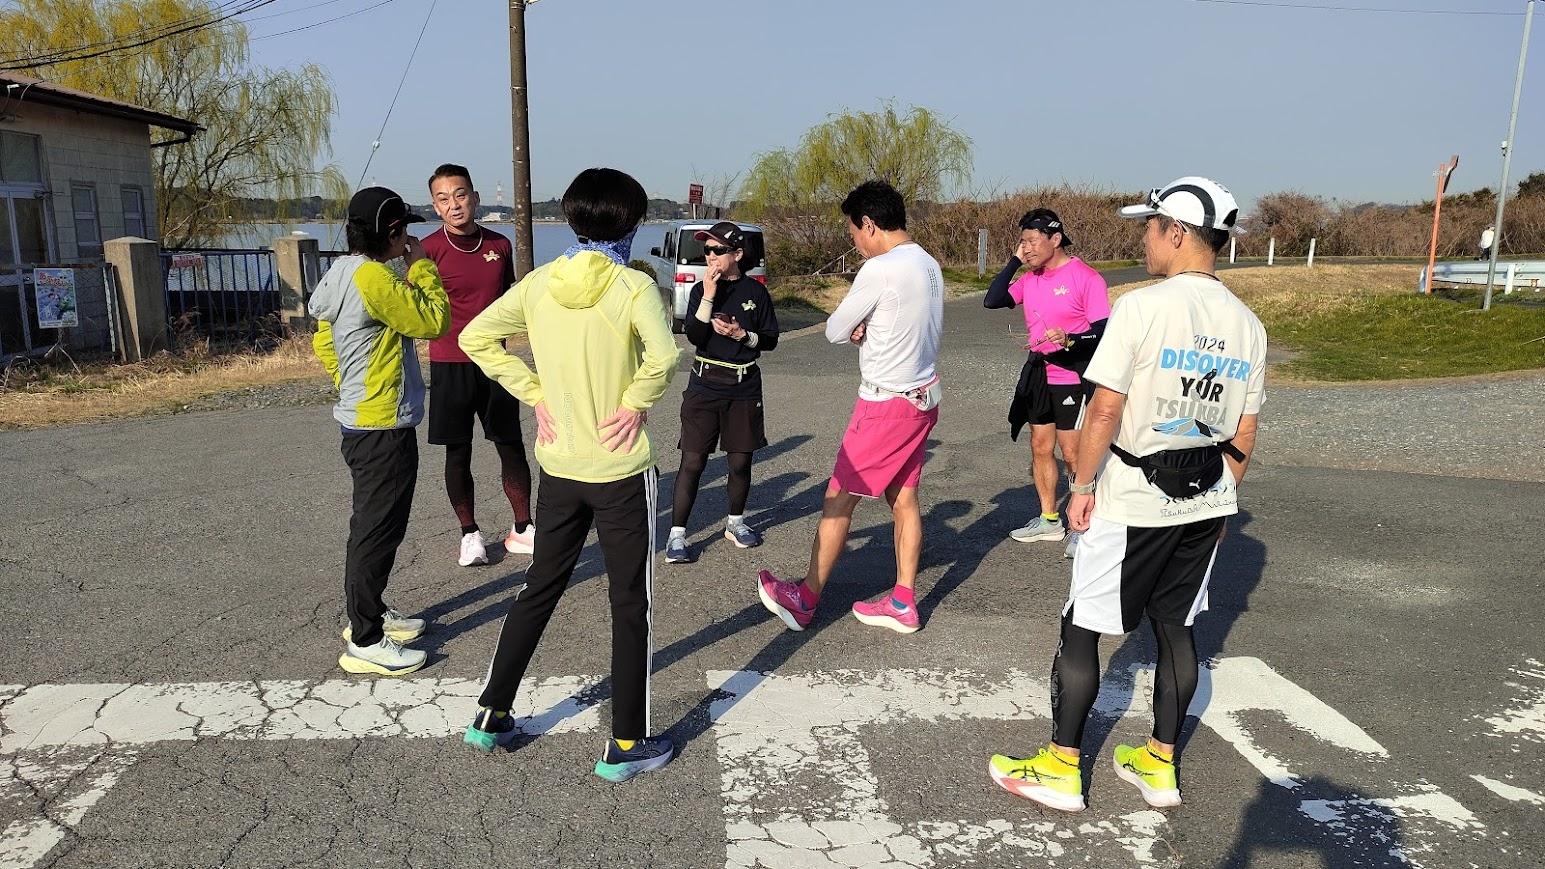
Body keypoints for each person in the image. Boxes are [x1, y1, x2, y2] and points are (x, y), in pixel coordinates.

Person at [989, 177, 1266, 812]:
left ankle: (1061, 766)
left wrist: (1082, 487)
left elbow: (1105, 409)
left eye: (1150, 226)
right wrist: (1223, 498)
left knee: (1082, 626)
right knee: (1177, 629)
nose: (1144, 238)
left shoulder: (1142, 307)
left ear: (1178, 232)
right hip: (1206, 497)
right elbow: (1245, 431)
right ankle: (1159, 765)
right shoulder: (1248, 324)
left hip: (1133, 496)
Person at [458, 168, 682, 782]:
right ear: (632, 223)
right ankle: (627, 741)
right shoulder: (634, 286)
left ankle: (492, 712)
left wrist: (534, 392)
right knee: (629, 601)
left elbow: (477, 337)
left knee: (540, 585)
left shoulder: (538, 284)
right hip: (620, 468)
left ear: (573, 219)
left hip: (558, 465)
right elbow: (664, 357)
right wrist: (635, 403)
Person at [756, 180, 943, 635]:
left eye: (854, 232)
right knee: (904, 499)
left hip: (884, 404)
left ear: (870, 224)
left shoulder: (880, 269)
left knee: (838, 500)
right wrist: (870, 328)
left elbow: (835, 329)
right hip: (922, 397)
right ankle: (902, 601)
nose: (855, 242)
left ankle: (805, 599)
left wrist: (859, 327)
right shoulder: (928, 263)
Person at [310, 187, 449, 677]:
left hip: (362, 418)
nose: (409, 237)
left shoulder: (343, 271)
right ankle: (366, 639)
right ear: (392, 234)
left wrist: (350, 382)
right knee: (377, 529)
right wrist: (422, 266)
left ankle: (370, 611)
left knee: (375, 525)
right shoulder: (374, 277)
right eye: (404, 230)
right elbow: (433, 320)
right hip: (382, 424)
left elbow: (323, 337)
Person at [421, 163, 535, 567]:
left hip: (495, 363)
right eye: (443, 198)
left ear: (475, 197)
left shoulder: (499, 245)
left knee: (510, 445)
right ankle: (470, 534)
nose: (454, 204)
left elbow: (510, 303)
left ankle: (523, 527)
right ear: (435, 206)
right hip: (448, 363)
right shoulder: (427, 249)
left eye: (460, 194)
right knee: (458, 452)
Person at [984, 209, 1109, 559]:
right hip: (1039, 373)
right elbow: (993, 299)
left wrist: (1070, 338)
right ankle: (1049, 519)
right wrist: (1014, 261)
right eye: (1022, 242)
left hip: (1072, 376)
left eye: (1032, 241)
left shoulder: (1086, 277)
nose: (1027, 248)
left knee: (1073, 453)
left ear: (1055, 239)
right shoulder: (1030, 278)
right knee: (1040, 447)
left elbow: (1103, 331)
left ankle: (1084, 527)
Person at [665, 220, 780, 564]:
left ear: (737, 254)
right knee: (693, 461)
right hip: (704, 384)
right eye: (707, 250)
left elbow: (770, 339)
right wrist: (708, 295)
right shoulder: (701, 290)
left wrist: (742, 336)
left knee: (740, 460)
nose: (710, 257)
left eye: (717, 250)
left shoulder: (756, 293)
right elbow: (695, 336)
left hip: (744, 386)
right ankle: (677, 535)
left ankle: (735, 522)